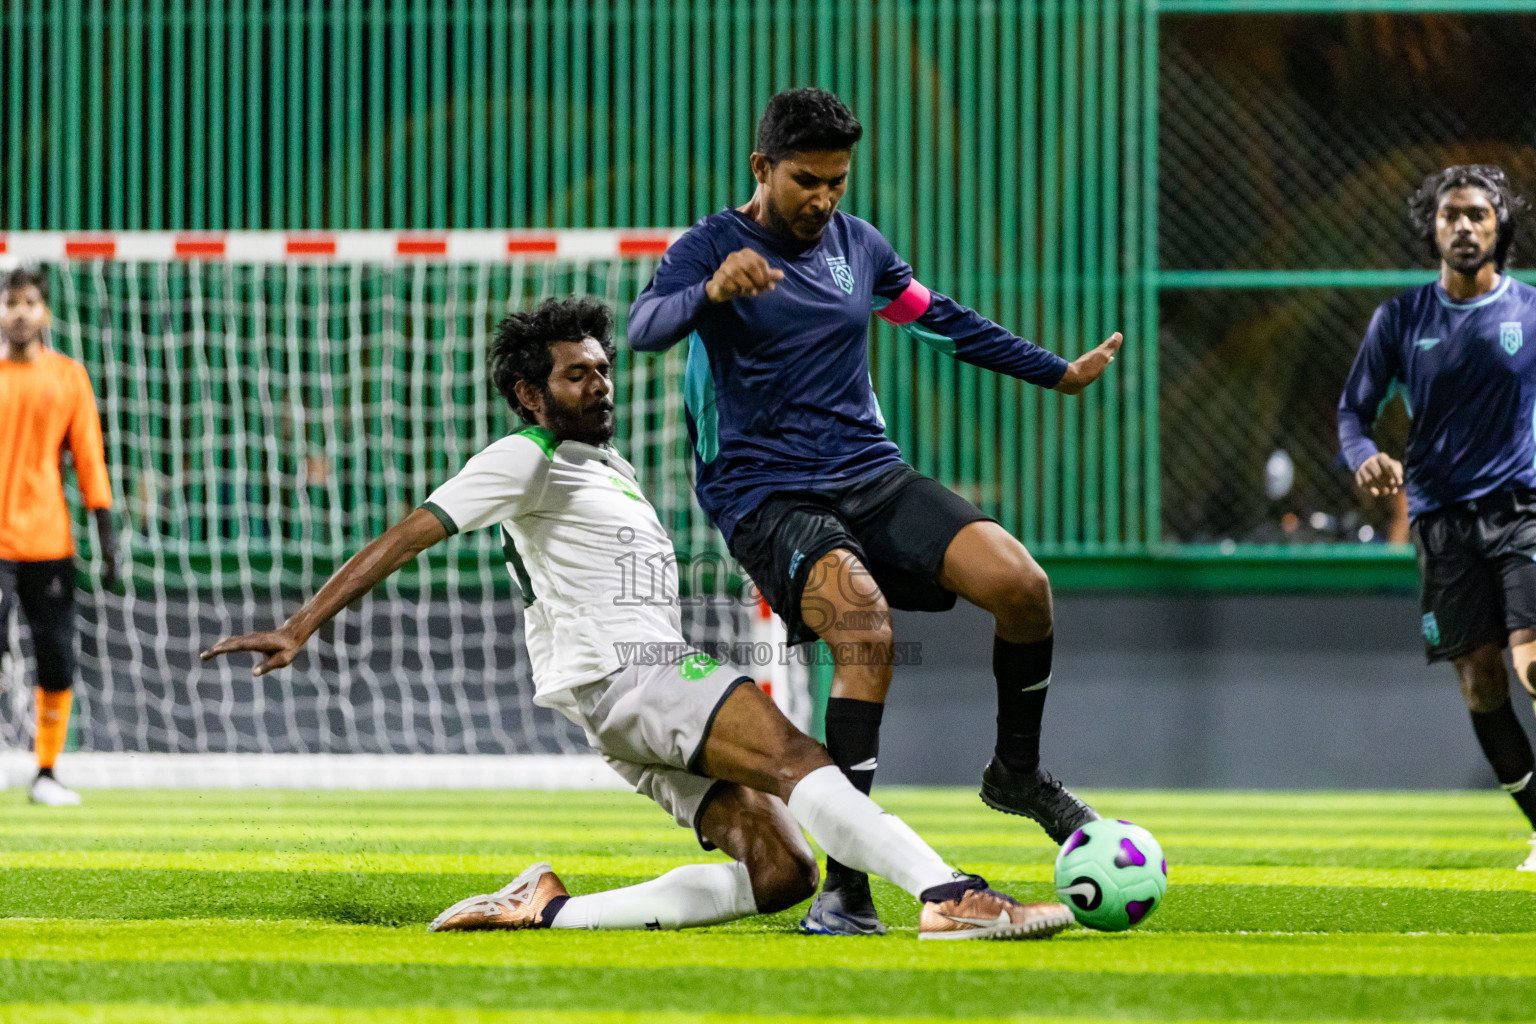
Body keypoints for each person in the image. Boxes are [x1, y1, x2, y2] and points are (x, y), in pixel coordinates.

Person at [203, 297, 1074, 940]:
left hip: (614, 705)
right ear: (528, 392)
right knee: (801, 758)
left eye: (604, 368)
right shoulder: (523, 456)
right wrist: (304, 622)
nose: (601, 384)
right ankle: (948, 896)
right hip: (636, 673)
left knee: (780, 872)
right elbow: (413, 531)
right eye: (577, 374)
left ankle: (548, 909)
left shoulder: (601, 463)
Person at [628, 87, 1121, 933]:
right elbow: (643, 327)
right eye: (807, 181)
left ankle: (1017, 773)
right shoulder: (710, 245)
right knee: (866, 629)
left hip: (872, 474)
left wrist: (1056, 372)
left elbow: (943, 325)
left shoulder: (859, 247)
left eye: (838, 182)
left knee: (1022, 584)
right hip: (768, 494)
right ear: (763, 169)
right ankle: (845, 886)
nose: (823, 198)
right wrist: (710, 291)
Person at [1339, 164, 1536, 869]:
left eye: (1478, 214)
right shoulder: (1400, 319)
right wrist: (1364, 457)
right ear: (1432, 228)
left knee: (1533, 664)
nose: (1463, 225)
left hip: (1523, 513)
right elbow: (1353, 414)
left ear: (1499, 227)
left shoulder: (1531, 311)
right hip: (1440, 522)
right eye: (1450, 215)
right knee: (1482, 683)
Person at [0, 266, 118, 805]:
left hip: (49, 544)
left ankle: (46, 772)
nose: (19, 312)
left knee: (56, 660)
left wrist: (108, 540)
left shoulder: (69, 377)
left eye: (28, 302)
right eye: (10, 302)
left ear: (44, 311)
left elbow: (90, 459)